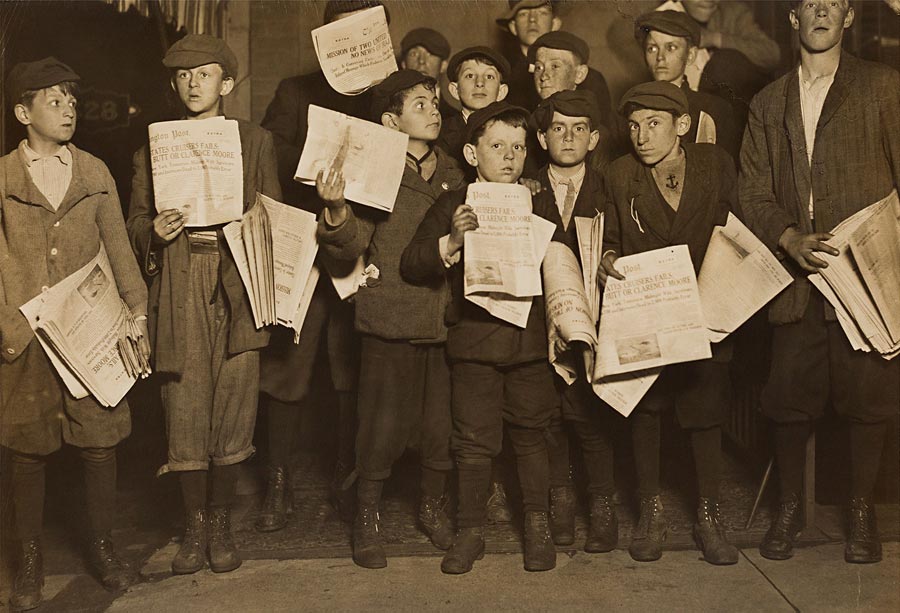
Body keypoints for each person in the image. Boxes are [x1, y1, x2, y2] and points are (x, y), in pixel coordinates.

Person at [739, 0, 900, 565]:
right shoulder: (768, 102)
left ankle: (861, 511)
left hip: (865, 276)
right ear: (793, 17)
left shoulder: (883, 87)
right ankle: (789, 510)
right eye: (811, 2)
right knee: (788, 398)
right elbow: (752, 192)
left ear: (850, 18)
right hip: (798, 278)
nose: (823, 11)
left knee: (868, 397)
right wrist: (788, 238)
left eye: (835, 2)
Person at [126, 34, 281, 575]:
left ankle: (222, 525)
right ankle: (193, 529)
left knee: (235, 400)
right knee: (185, 401)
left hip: (237, 275)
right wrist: (155, 231)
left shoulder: (255, 140)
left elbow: (275, 214)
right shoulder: (152, 147)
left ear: (228, 84)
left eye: (206, 75)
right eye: (185, 76)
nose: (195, 84)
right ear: (174, 84)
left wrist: (256, 225)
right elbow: (135, 221)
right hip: (180, 273)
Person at [2, 57, 148, 610]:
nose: (68, 111)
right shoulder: (3, 178)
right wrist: (10, 326)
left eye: (72, 102)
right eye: (54, 101)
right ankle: (29, 560)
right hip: (27, 339)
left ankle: (103, 547)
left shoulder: (93, 171)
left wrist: (136, 314)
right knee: (26, 450)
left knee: (99, 443)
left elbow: (119, 249)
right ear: (23, 112)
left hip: (89, 336)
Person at [401, 101, 569, 574]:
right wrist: (452, 242)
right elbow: (412, 262)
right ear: (473, 154)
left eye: (518, 147)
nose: (510, 156)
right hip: (474, 341)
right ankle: (470, 528)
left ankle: (536, 525)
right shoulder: (454, 201)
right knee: (473, 441)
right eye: (497, 146)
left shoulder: (538, 198)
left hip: (529, 342)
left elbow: (563, 259)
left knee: (532, 434)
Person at [315, 69, 465, 569]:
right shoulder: (374, 172)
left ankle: (431, 505)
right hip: (390, 312)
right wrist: (336, 209)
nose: (434, 110)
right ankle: (367, 517)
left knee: (438, 424)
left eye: (436, 102)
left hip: (442, 316)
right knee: (380, 425)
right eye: (420, 103)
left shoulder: (454, 172)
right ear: (390, 120)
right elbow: (352, 244)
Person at [598, 81, 740, 566]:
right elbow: (609, 236)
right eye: (634, 125)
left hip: (707, 310)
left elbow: (737, 226)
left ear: (682, 126)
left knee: (705, 413)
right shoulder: (619, 175)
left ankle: (708, 515)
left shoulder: (715, 164)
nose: (641, 135)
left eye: (653, 124)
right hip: (648, 312)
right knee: (647, 412)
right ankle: (650, 513)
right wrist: (608, 257)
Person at [255, 0, 382, 531]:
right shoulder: (296, 90)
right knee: (289, 371)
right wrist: (318, 153)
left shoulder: (387, 94)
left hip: (362, 247)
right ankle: (276, 486)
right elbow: (270, 153)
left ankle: (348, 482)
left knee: (354, 372)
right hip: (304, 246)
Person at [532, 90, 620, 553]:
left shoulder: (610, 188)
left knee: (591, 417)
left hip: (594, 321)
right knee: (548, 417)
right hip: (538, 323)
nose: (569, 137)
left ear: (595, 138)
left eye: (579, 128)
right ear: (542, 138)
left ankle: (602, 506)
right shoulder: (525, 188)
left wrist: (611, 256)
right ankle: (560, 501)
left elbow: (623, 242)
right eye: (558, 128)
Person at [634, 10, 740, 161]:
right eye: (652, 48)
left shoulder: (714, 110)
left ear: (690, 55)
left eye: (671, 48)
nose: (660, 57)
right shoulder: (631, 111)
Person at [436, 46, 510, 168]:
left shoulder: (516, 132)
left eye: (489, 76)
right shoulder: (439, 134)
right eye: (470, 75)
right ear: (455, 90)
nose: (480, 83)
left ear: (501, 92)